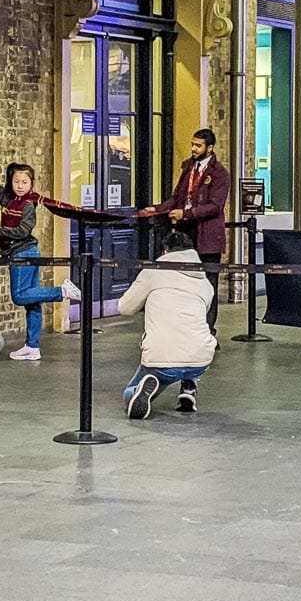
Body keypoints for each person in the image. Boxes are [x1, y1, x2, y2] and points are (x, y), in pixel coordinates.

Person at [0, 153, 81, 361]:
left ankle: (62, 291)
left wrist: (0, 230)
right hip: (24, 252)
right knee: (32, 302)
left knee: (20, 295)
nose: (20, 186)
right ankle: (33, 347)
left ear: (31, 183)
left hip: (23, 252)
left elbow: (24, 231)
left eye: (25, 182)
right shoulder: (9, 199)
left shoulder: (28, 205)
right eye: (16, 182)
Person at [138, 128, 229, 333]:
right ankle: (185, 327)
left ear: (210, 148)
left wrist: (186, 214)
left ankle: (207, 331)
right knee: (183, 280)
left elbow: (215, 206)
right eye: (192, 144)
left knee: (208, 283)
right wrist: (159, 209)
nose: (194, 149)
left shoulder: (220, 174)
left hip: (207, 236)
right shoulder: (188, 167)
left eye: (198, 145)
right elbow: (177, 197)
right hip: (186, 234)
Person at [118, 231, 216, 419]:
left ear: (165, 252)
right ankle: (188, 388)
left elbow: (125, 308)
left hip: (161, 359)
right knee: (192, 332)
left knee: (129, 392)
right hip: (201, 358)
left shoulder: (153, 271)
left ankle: (144, 388)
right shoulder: (205, 283)